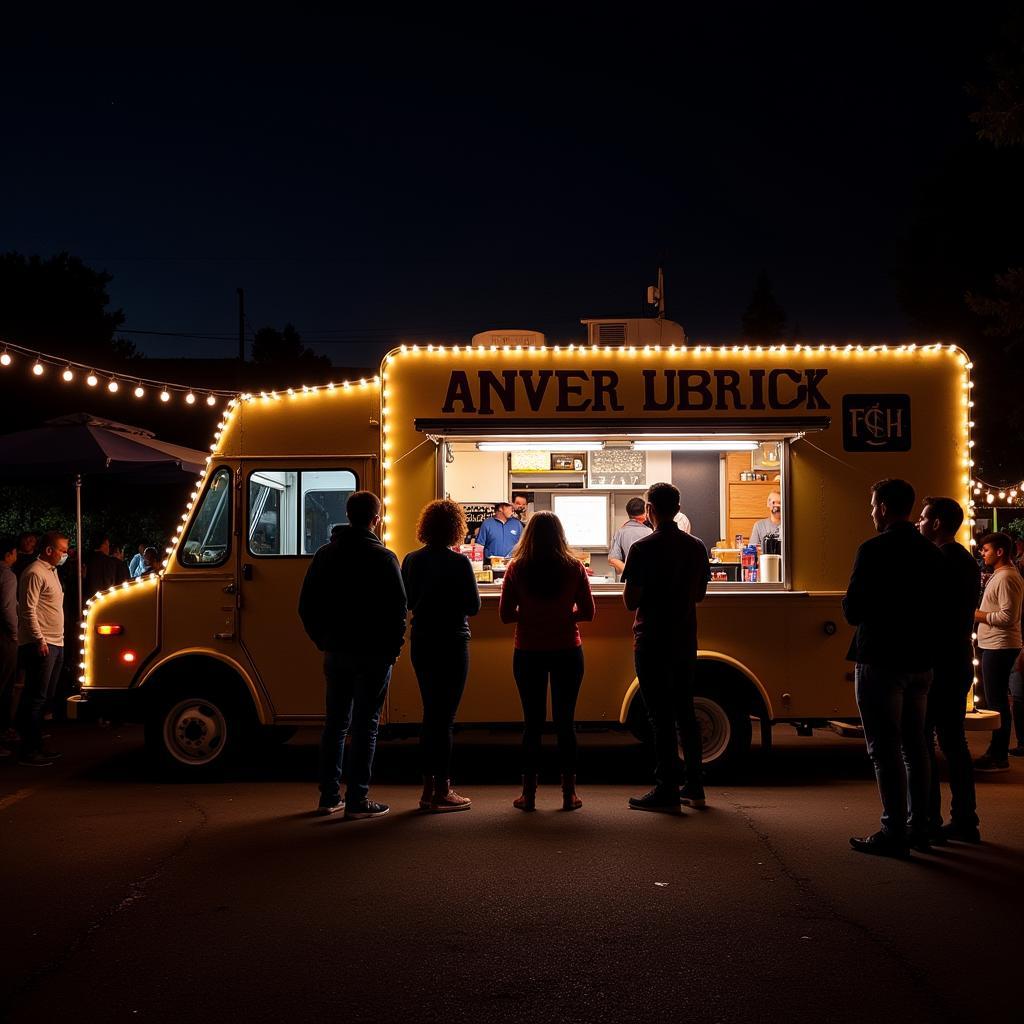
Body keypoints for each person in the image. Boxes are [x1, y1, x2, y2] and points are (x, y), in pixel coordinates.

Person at [843, 479, 946, 858]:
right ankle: (921, 825)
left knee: (884, 748)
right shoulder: (933, 553)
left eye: (873, 505)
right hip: (920, 660)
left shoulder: (872, 550)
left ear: (884, 507)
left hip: (881, 659)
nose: (871, 512)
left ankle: (893, 830)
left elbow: (854, 610)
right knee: (916, 746)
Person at [298, 491, 407, 819]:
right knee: (365, 726)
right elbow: (398, 610)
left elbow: (307, 606)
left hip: (337, 651)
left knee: (335, 724)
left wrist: (323, 640)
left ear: (348, 515)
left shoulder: (325, 555)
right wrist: (394, 649)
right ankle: (358, 799)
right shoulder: (385, 558)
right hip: (375, 654)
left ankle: (329, 797)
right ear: (377, 518)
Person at [622, 482, 711, 812]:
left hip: (651, 640)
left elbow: (631, 601)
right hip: (685, 639)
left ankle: (667, 791)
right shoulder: (696, 546)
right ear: (677, 508)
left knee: (659, 717)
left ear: (650, 510)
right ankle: (696, 788)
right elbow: (699, 595)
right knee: (685, 712)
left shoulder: (643, 549)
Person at [499, 511, 595, 811]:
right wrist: (564, 616)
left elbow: (505, 615)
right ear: (560, 535)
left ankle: (528, 794)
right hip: (567, 649)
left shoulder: (517, 568)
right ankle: (569, 794)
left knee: (533, 724)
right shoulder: (574, 567)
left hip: (528, 651)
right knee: (565, 723)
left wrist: (530, 616)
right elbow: (589, 612)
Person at [401, 499, 481, 812]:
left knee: (429, 714)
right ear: (456, 528)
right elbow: (473, 606)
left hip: (422, 641)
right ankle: (443, 790)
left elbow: (406, 601)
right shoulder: (459, 563)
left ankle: (426, 789)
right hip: (452, 642)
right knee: (444, 719)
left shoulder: (411, 560)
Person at [916, 497, 982, 843]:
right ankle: (964, 818)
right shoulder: (966, 561)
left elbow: (928, 610)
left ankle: (930, 817)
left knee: (923, 741)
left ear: (938, 523)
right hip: (957, 659)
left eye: (925, 518)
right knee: (954, 741)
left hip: (938, 662)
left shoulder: (940, 560)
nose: (919, 523)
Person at [15, 530, 69, 766]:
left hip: (56, 642)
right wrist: (39, 640)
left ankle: (36, 744)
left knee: (44, 696)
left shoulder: (52, 572)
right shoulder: (34, 572)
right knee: (35, 697)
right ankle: (29, 750)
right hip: (42, 644)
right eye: (63, 551)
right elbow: (28, 609)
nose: (65, 555)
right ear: (49, 550)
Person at [972, 531, 1024, 772]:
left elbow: (1008, 616)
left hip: (1000, 646)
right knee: (996, 700)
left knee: (997, 702)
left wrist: (975, 614)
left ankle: (999, 754)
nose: (982, 553)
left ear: (1000, 552)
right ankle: (996, 750)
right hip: (994, 644)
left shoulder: (1006, 577)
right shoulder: (1001, 575)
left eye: (986, 549)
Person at [0, 536, 18, 755]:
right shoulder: (8, 576)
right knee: (4, 686)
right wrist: (15, 634)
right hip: (4, 638)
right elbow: (7, 609)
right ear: (9, 554)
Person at [607, 498, 651, 577]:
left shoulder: (620, 532)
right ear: (645, 513)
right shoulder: (650, 532)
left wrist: (630, 573)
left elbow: (613, 560)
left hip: (628, 583)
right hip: (649, 581)